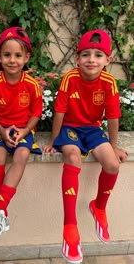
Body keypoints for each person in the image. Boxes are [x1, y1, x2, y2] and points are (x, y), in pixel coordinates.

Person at [43, 29, 128, 264]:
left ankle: (99, 207)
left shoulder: (109, 82)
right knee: (72, 156)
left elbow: (112, 117)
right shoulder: (70, 78)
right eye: (86, 54)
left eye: (98, 55)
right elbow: (59, 110)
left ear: (107, 60)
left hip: (91, 129)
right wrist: (53, 140)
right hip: (69, 127)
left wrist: (113, 146)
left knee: (111, 164)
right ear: (77, 58)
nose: (92, 59)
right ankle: (70, 226)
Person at [0, 26, 43, 240]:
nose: (12, 60)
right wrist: (1, 129)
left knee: (22, 155)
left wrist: (24, 130)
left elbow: (36, 112)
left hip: (23, 129)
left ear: (26, 57)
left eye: (18, 55)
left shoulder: (32, 85)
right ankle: (1, 213)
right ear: (0, 57)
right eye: (7, 55)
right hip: (0, 128)